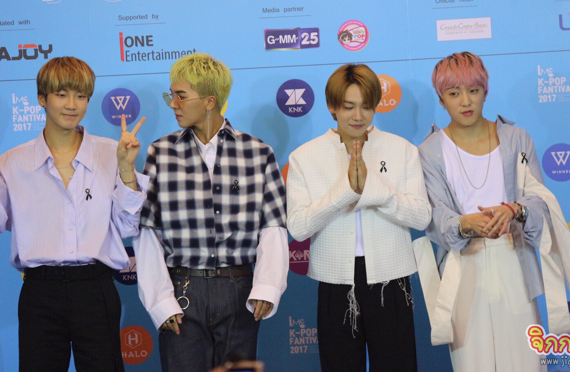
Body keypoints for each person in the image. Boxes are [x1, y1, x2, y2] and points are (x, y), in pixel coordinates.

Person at [133, 52, 288, 372]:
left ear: (209, 101)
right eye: (171, 95)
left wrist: (267, 287)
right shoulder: (161, 152)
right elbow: (148, 230)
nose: (173, 104)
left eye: (181, 96)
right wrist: (160, 301)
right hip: (181, 291)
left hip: (239, 291)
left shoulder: (258, 152)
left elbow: (273, 227)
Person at [0, 56, 148, 372]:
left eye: (81, 96)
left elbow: (128, 226)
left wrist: (126, 169)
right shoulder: (12, 163)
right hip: (39, 292)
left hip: (95, 289)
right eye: (62, 94)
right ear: (42, 98)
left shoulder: (112, 152)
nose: (72, 105)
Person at [286, 63, 432, 372]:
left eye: (366, 106)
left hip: (391, 280)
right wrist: (347, 191)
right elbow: (297, 227)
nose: (358, 116)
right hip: (335, 282)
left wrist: (374, 190)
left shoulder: (402, 150)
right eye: (348, 106)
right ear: (332, 106)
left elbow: (422, 216)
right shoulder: (304, 157)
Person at [417, 51, 550, 371]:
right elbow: (433, 217)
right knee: (472, 363)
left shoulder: (517, 139)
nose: (465, 101)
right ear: (441, 99)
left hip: (514, 258)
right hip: (462, 267)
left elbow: (541, 203)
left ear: (486, 92)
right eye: (454, 93)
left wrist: (516, 210)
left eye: (473, 91)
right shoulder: (429, 151)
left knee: (526, 362)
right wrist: (464, 224)